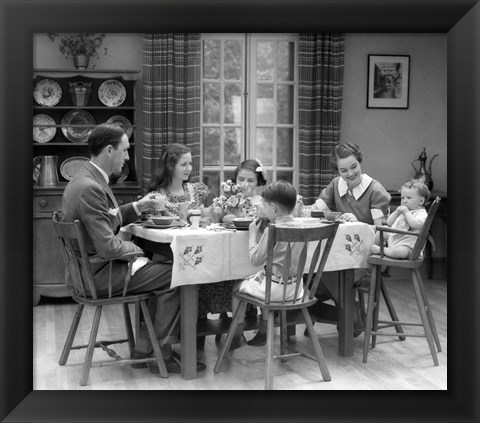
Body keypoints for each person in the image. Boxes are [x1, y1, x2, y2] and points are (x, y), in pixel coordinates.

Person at [61, 124, 206, 374]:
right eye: (125, 151)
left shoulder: (84, 178)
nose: (127, 157)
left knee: (164, 271)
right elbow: (108, 246)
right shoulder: (91, 188)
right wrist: (138, 251)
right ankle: (162, 352)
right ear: (109, 150)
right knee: (182, 274)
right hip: (98, 275)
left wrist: (137, 207)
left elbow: (106, 218)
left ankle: (144, 347)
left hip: (89, 270)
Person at [310, 142, 391, 334]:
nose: (350, 174)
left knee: (321, 272)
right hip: (339, 254)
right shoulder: (336, 185)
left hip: (368, 257)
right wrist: (316, 210)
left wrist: (358, 226)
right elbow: (316, 209)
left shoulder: (375, 191)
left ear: (360, 162)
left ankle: (346, 315)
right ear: (337, 170)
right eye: (343, 170)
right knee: (309, 270)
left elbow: (382, 234)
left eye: (354, 167)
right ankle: (350, 313)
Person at [229, 180, 303, 350]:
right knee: (262, 279)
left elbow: (255, 259)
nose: (262, 208)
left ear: (274, 208)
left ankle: (237, 334)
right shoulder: (301, 226)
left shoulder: (273, 230)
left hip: (276, 291)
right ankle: (263, 330)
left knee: (237, 285)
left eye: (264, 205)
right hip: (297, 289)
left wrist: (253, 235)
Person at [371, 179, 430, 258]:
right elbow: (389, 223)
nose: (404, 201)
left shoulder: (421, 213)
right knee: (382, 230)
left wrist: (406, 213)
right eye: (402, 198)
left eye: (409, 198)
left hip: (408, 247)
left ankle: (382, 250)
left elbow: (415, 225)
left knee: (401, 252)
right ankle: (370, 248)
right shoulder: (403, 211)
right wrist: (396, 212)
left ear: (421, 201)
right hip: (394, 240)